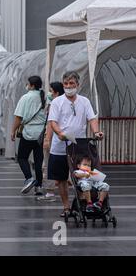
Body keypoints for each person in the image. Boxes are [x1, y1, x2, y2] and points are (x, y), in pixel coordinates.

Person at [48, 71, 104, 218]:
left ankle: (83, 203)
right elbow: (52, 121)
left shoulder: (84, 101)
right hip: (59, 146)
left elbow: (92, 118)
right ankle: (66, 207)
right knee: (60, 178)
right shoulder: (56, 102)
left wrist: (97, 132)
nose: (68, 86)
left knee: (83, 175)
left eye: (71, 83)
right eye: (65, 84)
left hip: (79, 146)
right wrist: (59, 133)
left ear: (77, 85)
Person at [11, 76, 46, 196]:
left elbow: (18, 117)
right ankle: (39, 186)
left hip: (29, 133)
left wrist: (13, 131)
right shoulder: (45, 97)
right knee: (38, 161)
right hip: (41, 133)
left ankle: (29, 178)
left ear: (31, 85)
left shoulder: (25, 98)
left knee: (22, 157)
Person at [37, 82, 65, 202]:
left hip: (53, 137)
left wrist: (47, 139)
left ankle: (50, 192)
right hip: (63, 138)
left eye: (51, 91)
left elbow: (50, 123)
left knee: (47, 164)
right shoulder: (66, 103)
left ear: (56, 92)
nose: (49, 93)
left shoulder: (54, 104)